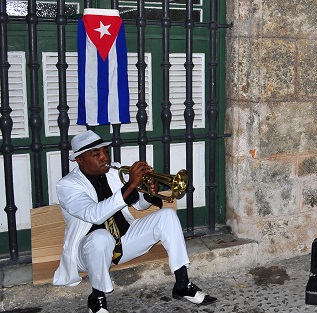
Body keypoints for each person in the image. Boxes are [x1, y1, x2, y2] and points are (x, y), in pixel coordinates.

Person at [53, 130, 217, 313]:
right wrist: (130, 185)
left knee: (167, 216)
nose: (104, 157)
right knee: (100, 237)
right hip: (87, 254)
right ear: (80, 160)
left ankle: (182, 284)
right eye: (96, 154)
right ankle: (97, 298)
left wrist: (147, 192)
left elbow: (140, 205)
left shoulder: (114, 171)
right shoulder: (67, 185)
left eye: (105, 151)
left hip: (124, 241)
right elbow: (94, 214)